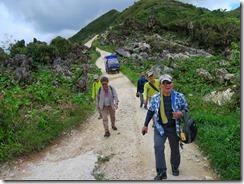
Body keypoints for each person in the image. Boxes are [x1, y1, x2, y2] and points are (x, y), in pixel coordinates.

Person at [141, 74, 188, 180]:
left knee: (175, 149)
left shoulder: (179, 96)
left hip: (173, 127)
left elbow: (186, 108)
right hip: (160, 127)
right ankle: (162, 171)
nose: (167, 85)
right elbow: (151, 111)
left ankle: (175, 167)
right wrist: (145, 125)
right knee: (158, 147)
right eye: (164, 83)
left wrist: (181, 113)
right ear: (160, 85)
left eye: (169, 83)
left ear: (172, 84)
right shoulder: (155, 98)